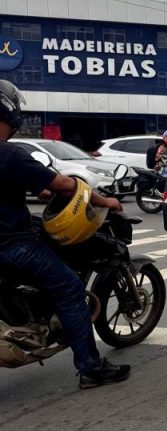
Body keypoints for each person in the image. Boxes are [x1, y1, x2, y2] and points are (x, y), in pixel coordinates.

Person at [0, 80, 130, 389]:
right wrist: (106, 201)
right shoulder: (9, 155)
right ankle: (91, 368)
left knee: (36, 229)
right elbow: (63, 185)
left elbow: (39, 185)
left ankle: (33, 311)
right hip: (12, 244)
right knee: (71, 290)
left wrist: (43, 188)